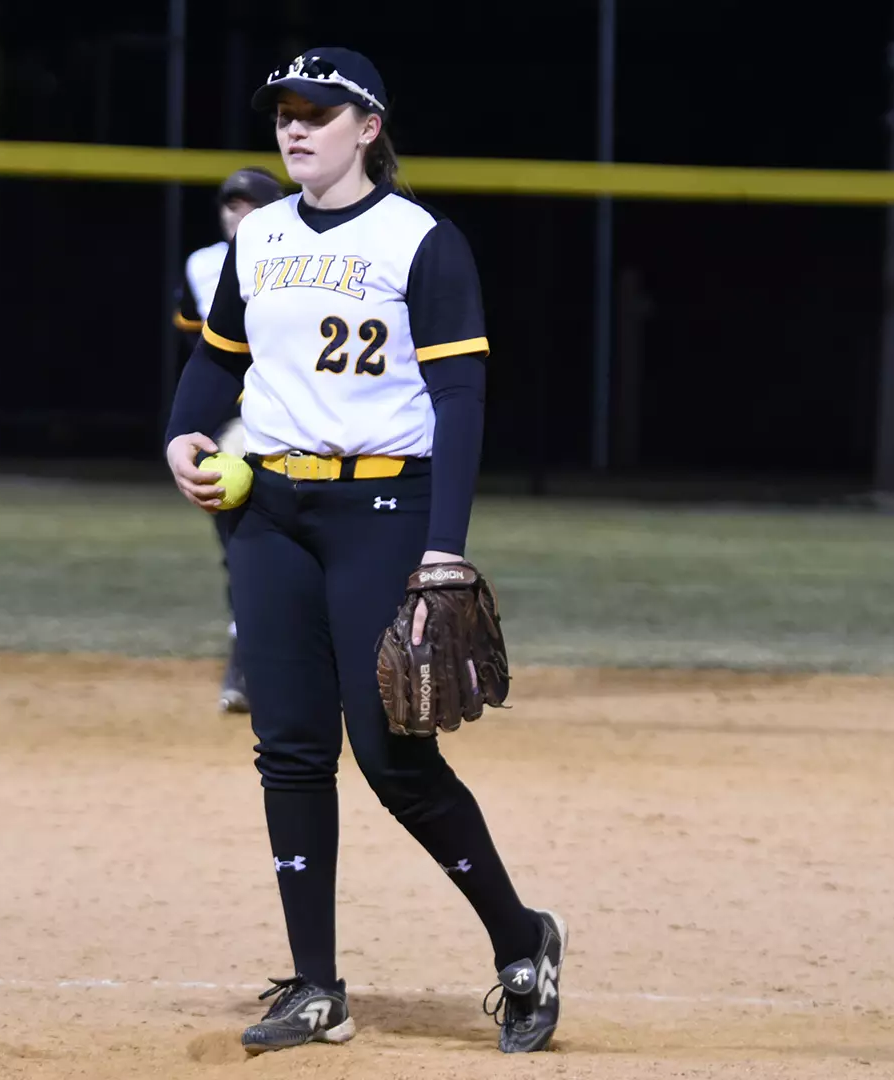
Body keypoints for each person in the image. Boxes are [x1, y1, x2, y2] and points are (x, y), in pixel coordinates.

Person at [163, 47, 564, 1056]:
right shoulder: (260, 238)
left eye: (317, 111)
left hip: (385, 508)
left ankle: (522, 940)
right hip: (271, 514)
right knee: (290, 750)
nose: (295, 127)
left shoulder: (420, 241)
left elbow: (460, 399)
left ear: (369, 128)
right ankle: (316, 987)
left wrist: (444, 553)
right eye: (283, 113)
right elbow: (219, 357)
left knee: (393, 758)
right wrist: (181, 432)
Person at [174, 165, 288, 715]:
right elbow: (206, 350)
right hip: (238, 426)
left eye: (251, 206)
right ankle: (248, 659)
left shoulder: (302, 257)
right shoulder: (207, 264)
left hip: (303, 425)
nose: (238, 215)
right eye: (231, 205)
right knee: (243, 548)